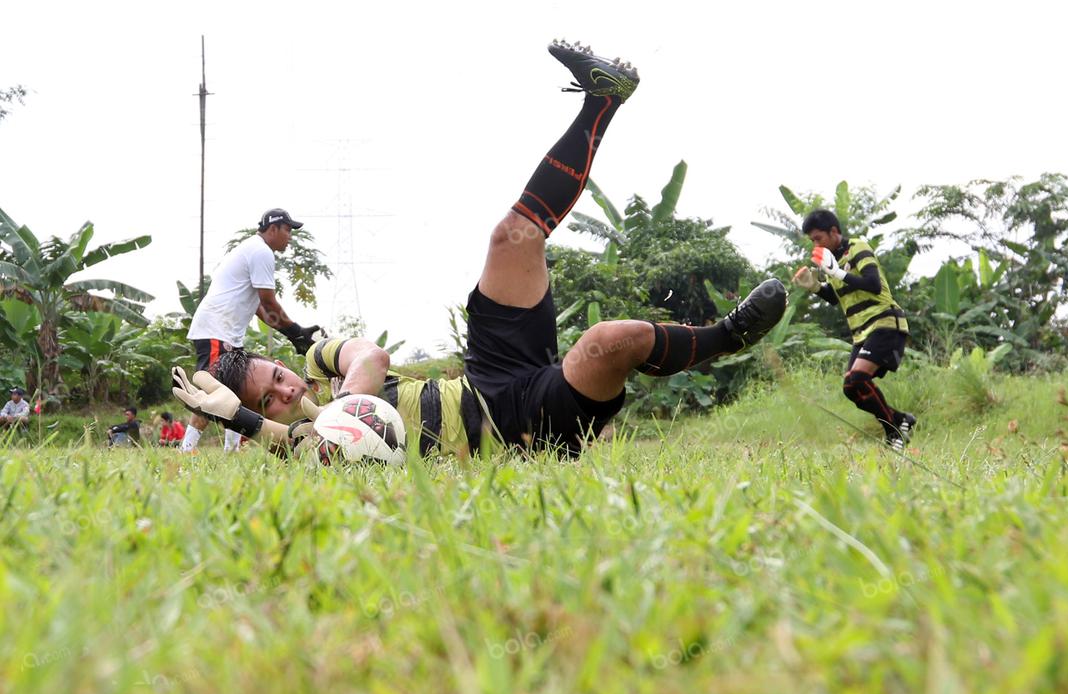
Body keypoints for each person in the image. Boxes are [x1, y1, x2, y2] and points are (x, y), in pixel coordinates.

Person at [171, 40, 788, 458]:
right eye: (268, 399)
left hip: (487, 369)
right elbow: (327, 455)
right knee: (609, 341)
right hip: (516, 420)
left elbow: (371, 354)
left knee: (511, 237)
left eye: (276, 376)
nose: (284, 390)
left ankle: (603, 99)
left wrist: (344, 387)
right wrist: (247, 422)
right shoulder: (306, 444)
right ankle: (724, 339)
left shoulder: (315, 371)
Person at [182, 208, 324, 453]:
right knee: (215, 389)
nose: (290, 237)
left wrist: (292, 333)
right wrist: (296, 332)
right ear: (273, 228)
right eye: (288, 230)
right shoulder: (261, 251)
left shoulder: (253, 248)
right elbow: (268, 301)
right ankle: (187, 448)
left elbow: (260, 308)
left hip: (225, 331)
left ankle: (231, 448)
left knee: (238, 390)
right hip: (217, 329)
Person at [791, 209, 916, 450]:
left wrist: (836, 272)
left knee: (858, 379)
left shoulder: (857, 247)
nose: (815, 244)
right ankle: (901, 420)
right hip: (861, 332)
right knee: (852, 388)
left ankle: (894, 433)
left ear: (834, 232)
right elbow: (836, 296)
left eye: (818, 238)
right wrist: (815, 286)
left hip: (884, 322)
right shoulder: (831, 260)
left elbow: (873, 284)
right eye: (812, 241)